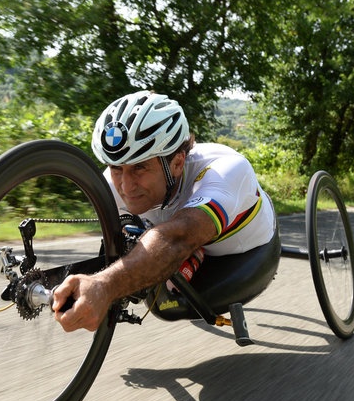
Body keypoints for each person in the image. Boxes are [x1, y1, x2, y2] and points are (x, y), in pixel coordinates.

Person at [53, 90, 275, 332]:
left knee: (171, 294)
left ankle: (195, 254)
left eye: (140, 167)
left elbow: (179, 237)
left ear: (177, 163)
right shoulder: (112, 183)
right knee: (161, 298)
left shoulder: (225, 170)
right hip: (179, 238)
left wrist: (104, 286)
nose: (126, 187)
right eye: (116, 168)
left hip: (249, 251)